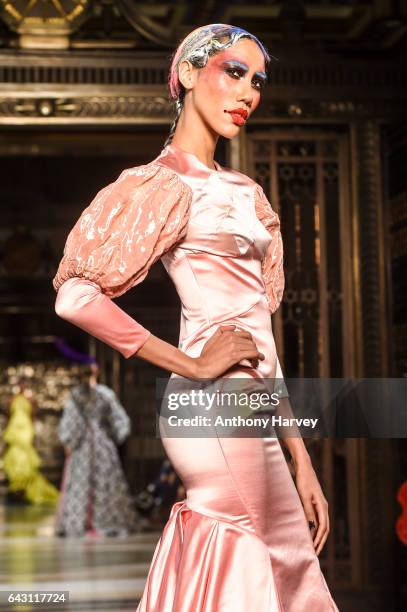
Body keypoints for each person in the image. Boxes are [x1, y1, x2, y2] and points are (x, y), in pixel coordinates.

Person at [52, 23, 339, 611]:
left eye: (257, 80)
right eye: (234, 72)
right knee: (272, 563)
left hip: (249, 400)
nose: (249, 93)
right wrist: (190, 361)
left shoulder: (246, 193)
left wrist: (301, 459)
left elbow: (259, 338)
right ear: (186, 73)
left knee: (274, 568)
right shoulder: (161, 184)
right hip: (211, 404)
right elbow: (75, 296)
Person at [55, 362, 138, 537]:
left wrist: (69, 441)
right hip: (103, 443)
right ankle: (106, 520)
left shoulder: (76, 395)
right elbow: (121, 421)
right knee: (106, 482)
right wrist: (114, 437)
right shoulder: (106, 394)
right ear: (97, 373)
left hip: (83, 444)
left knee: (81, 480)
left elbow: (71, 422)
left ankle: (82, 522)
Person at [2, 380, 59, 505]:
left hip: (24, 431)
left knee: (24, 460)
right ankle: (17, 489)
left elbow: (33, 415)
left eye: (24, 385)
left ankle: (22, 489)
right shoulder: (14, 399)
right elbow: (9, 414)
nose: (22, 387)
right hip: (16, 430)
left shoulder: (30, 400)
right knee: (15, 459)